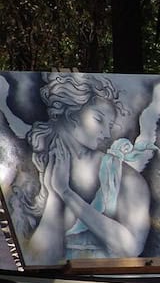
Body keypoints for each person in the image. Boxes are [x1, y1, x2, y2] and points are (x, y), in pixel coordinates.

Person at [22, 74, 151, 265]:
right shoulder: (30, 170)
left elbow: (131, 248)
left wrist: (67, 194)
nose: (107, 134)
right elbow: (37, 260)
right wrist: (55, 197)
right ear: (71, 113)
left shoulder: (125, 178)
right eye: (99, 119)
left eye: (110, 126)